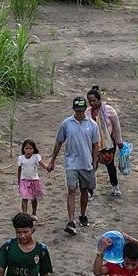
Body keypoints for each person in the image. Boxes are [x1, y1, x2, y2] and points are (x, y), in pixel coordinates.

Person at [44, 97, 100, 237]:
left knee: (84, 190)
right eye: (77, 110)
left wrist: (94, 162)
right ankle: (71, 221)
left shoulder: (92, 125)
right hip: (71, 163)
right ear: (74, 110)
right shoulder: (67, 124)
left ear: (85, 110)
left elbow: (95, 145)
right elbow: (59, 142)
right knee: (71, 189)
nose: (80, 113)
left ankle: (82, 214)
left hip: (86, 163)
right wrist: (52, 161)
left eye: (82, 110)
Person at [86, 86, 124, 200]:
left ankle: (115, 186)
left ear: (99, 100)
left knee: (110, 164)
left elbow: (116, 127)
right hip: (93, 143)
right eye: (90, 101)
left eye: (94, 101)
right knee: (92, 166)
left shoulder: (109, 110)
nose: (92, 103)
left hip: (108, 143)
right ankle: (90, 191)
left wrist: (119, 142)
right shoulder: (87, 112)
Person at [15, 139, 44, 216]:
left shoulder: (36, 157)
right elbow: (19, 169)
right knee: (24, 198)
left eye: (30, 148)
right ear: (23, 149)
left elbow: (42, 163)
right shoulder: (21, 158)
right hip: (24, 181)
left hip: (34, 180)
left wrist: (47, 167)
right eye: (26, 148)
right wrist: (19, 180)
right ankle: (24, 214)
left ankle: (34, 213)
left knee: (34, 199)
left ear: (33, 149)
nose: (28, 150)